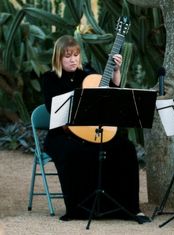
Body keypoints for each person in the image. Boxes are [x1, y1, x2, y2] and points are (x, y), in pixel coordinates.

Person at [41, 35, 150, 223]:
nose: (73, 59)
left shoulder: (88, 74)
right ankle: (79, 209)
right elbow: (52, 107)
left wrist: (116, 70)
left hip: (94, 130)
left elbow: (112, 94)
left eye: (76, 55)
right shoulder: (49, 78)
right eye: (67, 56)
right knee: (74, 152)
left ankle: (128, 208)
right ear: (58, 58)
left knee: (126, 148)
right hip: (63, 134)